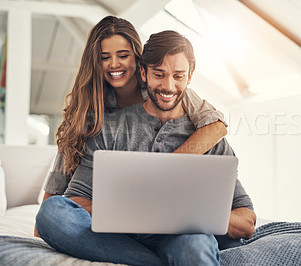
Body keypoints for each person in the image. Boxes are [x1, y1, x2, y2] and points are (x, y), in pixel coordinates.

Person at [35, 30, 256, 265]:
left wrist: (194, 213)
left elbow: (247, 221)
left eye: (178, 76)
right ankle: (151, 261)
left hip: (181, 236)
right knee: (51, 212)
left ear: (190, 76)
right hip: (119, 236)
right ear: (144, 72)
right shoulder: (108, 127)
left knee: (195, 244)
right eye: (159, 74)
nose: (168, 86)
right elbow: (75, 200)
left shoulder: (209, 137)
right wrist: (128, 207)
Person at [36, 16, 228, 213]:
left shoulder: (162, 89)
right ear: (95, 62)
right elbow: (65, 165)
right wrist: (48, 215)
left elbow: (217, 126)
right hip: (106, 200)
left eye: (123, 55)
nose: (114, 64)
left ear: (137, 58)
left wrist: (170, 167)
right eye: (104, 57)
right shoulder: (88, 107)